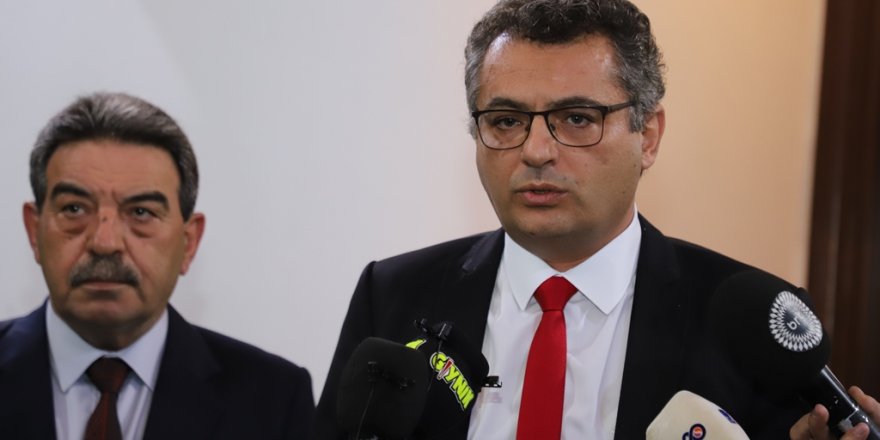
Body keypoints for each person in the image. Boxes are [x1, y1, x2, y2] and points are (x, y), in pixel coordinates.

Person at [312, 1, 880, 439]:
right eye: (506, 120)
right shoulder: (394, 295)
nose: (536, 150)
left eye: (577, 118)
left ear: (648, 136)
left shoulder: (751, 325)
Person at [0, 92, 314, 439]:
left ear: (189, 242)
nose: (105, 242)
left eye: (141, 212)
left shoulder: (273, 401)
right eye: (74, 209)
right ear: (34, 230)